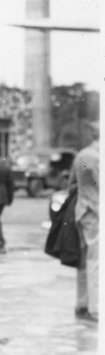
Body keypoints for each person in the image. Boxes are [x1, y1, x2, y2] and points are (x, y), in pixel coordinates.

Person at [72, 122, 99, 322]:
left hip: (82, 211)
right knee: (96, 261)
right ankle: (95, 308)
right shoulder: (95, 157)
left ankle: (82, 304)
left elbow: (72, 183)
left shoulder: (82, 155)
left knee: (85, 260)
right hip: (95, 212)